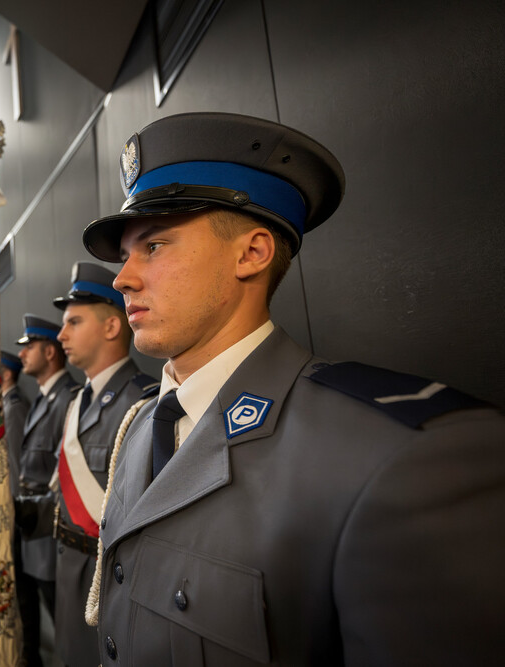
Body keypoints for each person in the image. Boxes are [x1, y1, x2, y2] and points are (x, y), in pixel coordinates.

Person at [80, 111, 505, 665]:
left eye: (154, 246)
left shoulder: (401, 458)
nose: (122, 278)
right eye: (125, 255)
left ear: (251, 253)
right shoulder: (140, 427)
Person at [20, 262, 157, 667]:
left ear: (112, 328)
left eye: (74, 322)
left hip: (108, 579)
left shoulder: (143, 403)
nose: (61, 335)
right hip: (66, 565)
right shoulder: (77, 401)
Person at [14, 313, 79, 666]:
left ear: (51, 352)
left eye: (29, 347)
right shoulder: (43, 399)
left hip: (53, 534)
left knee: (66, 630)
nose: (22, 354)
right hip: (34, 530)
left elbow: (62, 480)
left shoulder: (68, 398)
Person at [0, 351, 29, 499]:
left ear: (6, 375)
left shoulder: (14, 406)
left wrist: (14, 497)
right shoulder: (5, 402)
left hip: (13, 491)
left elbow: (14, 455)